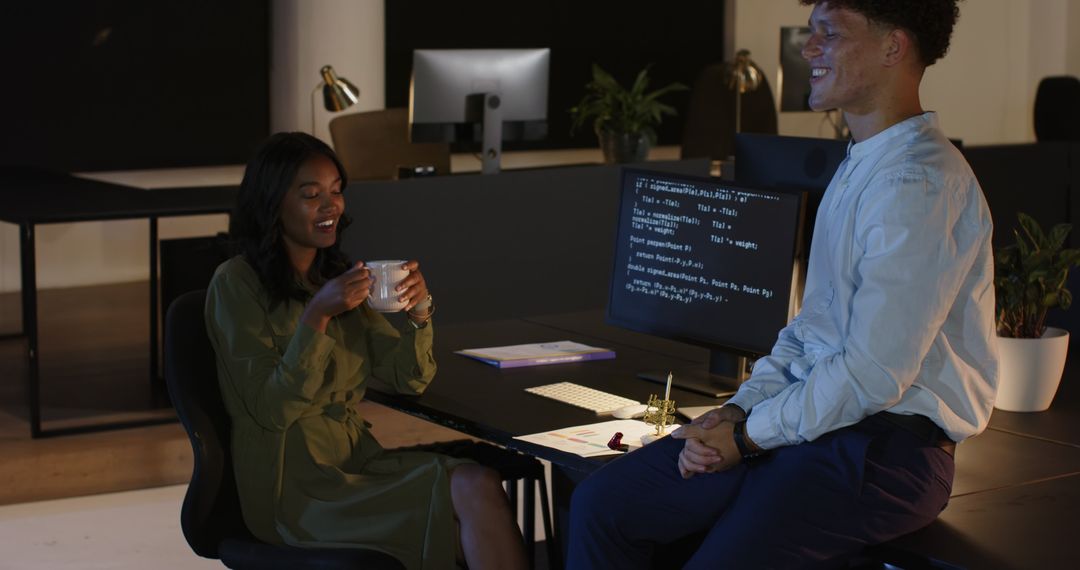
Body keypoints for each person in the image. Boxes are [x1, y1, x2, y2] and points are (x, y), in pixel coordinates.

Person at [568, 0, 998, 567]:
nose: (807, 47)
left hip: (889, 450)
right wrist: (737, 413)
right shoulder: (862, 163)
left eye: (830, 34)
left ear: (893, 47)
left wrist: (747, 439)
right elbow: (812, 328)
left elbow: (873, 374)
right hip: (822, 423)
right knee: (605, 503)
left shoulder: (918, 183)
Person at [205, 132, 527, 570]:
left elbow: (407, 378)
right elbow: (272, 409)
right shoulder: (235, 283)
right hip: (295, 487)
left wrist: (419, 313)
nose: (330, 206)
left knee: (479, 483)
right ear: (273, 202)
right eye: (311, 194)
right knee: (461, 522)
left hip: (358, 463)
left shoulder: (338, 279)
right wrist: (316, 318)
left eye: (336, 192)